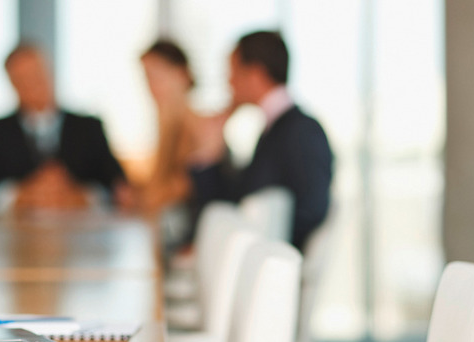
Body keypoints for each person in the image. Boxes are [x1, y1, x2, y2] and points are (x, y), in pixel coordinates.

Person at [0, 43, 129, 212]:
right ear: (12, 84)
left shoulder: (89, 127)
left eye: (36, 74)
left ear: (50, 72)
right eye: (22, 79)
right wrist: (17, 195)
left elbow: (119, 188)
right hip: (18, 238)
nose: (32, 84)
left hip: (81, 236)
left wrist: (82, 195)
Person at [203, 31, 334, 250]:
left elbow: (313, 208)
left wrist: (262, 246)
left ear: (254, 74)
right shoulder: (276, 128)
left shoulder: (301, 130)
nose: (229, 82)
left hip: (274, 264)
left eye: (233, 72)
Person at [138, 40, 231, 246]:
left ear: (182, 74)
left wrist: (144, 198)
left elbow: (176, 191)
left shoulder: (199, 128)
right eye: (147, 78)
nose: (152, 87)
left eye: (157, 77)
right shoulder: (169, 127)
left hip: (196, 243)